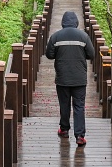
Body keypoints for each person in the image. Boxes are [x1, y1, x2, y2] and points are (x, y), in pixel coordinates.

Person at [45, 10, 95, 147]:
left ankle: (64, 129)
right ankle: (80, 136)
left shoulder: (56, 37)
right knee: (79, 106)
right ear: (76, 22)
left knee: (64, 104)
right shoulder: (83, 36)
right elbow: (91, 54)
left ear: (63, 22)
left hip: (62, 77)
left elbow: (49, 54)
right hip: (79, 78)